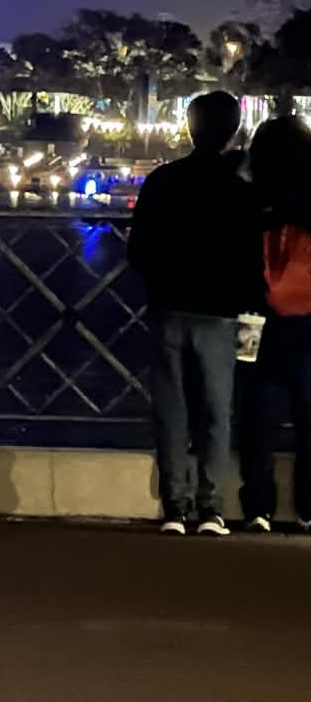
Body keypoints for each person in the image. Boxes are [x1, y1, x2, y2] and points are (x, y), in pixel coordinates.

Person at [128, 90, 263, 536]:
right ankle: (212, 507)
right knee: (216, 411)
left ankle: (175, 507)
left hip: (168, 306)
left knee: (172, 409)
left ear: (189, 127)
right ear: (233, 132)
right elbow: (251, 262)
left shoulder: (162, 182)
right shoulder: (241, 194)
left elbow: (139, 250)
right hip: (222, 313)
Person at [238, 115, 311, 532]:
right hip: (307, 315)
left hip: (252, 316)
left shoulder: (249, 197)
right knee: (309, 414)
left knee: (255, 410)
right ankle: (307, 506)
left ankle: (258, 506)